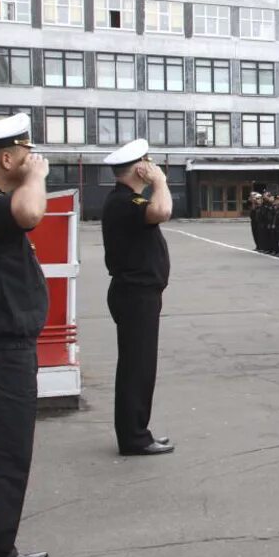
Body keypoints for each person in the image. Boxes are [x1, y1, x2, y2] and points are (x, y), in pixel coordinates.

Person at [0, 114, 51, 557]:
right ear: (6, 159)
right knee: (4, 453)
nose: (35, 158)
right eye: (26, 152)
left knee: (7, 451)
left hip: (8, 342)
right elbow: (31, 214)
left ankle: (1, 548)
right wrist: (35, 177)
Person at [100, 139, 175, 458]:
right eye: (150, 164)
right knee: (137, 367)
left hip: (138, 293)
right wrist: (160, 181)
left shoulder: (125, 199)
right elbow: (163, 211)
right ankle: (134, 437)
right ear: (139, 167)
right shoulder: (124, 201)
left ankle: (134, 432)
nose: (154, 168)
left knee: (137, 365)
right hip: (135, 294)